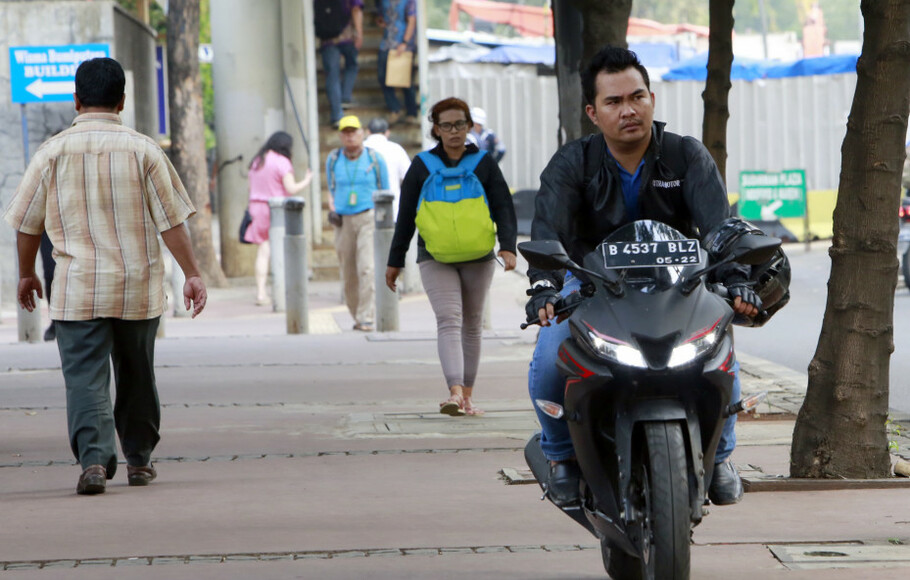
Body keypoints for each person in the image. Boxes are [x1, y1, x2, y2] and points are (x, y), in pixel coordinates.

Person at [525, 46, 761, 507]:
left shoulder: (686, 155)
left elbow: (718, 228)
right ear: (593, 113)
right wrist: (544, 287)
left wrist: (737, 280)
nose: (628, 110)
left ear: (652, 98)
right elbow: (547, 232)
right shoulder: (573, 164)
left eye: (637, 97)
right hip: (590, 288)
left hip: (681, 287)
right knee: (550, 357)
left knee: (722, 357)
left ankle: (719, 457)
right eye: (613, 102)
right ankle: (560, 456)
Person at [3, 57, 207, 495]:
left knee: (84, 377)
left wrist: (26, 274)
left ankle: (94, 462)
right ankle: (138, 459)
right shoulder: (145, 150)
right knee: (137, 373)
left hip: (77, 291)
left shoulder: (50, 153)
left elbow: (26, 223)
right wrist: (192, 273)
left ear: (75, 100)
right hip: (137, 289)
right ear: (123, 101)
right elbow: (172, 222)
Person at [385, 98, 518, 416]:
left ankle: (467, 396)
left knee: (472, 324)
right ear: (436, 129)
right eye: (446, 125)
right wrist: (395, 260)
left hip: (479, 255)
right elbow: (405, 217)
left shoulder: (485, 162)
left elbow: (503, 206)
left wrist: (508, 246)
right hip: (434, 255)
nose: (454, 131)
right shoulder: (421, 165)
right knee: (449, 320)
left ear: (470, 125)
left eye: (460, 124)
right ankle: (455, 393)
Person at [327, 115, 390, 331]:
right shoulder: (334, 159)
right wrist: (332, 208)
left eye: (353, 131)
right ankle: (356, 314)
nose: (350, 136)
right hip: (343, 220)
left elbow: (385, 191)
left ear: (362, 133)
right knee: (348, 271)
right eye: (345, 132)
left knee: (367, 267)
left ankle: (366, 316)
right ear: (340, 136)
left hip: (368, 217)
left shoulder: (374, 159)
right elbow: (331, 188)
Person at [244, 131, 313, 305]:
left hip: (256, 207)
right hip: (276, 209)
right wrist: (307, 180)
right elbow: (291, 189)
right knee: (281, 251)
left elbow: (249, 187)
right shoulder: (282, 162)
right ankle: (282, 292)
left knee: (263, 251)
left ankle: (261, 292)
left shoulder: (257, 161)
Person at [316, 0, 364, 128]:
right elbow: (356, 9)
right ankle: (345, 97)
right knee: (352, 66)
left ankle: (337, 115)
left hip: (327, 39)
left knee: (332, 75)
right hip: (347, 37)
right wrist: (359, 33)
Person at [376, 0, 419, 125]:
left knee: (405, 79)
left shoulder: (409, 2)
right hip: (386, 43)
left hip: (403, 44)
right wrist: (380, 21)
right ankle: (395, 108)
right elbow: (381, 15)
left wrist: (404, 42)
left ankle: (411, 112)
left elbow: (412, 21)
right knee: (382, 76)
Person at [364, 117, 411, 218]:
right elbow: (409, 178)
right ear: (387, 132)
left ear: (368, 132)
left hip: (365, 211)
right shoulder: (396, 149)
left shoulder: (361, 150)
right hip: (392, 208)